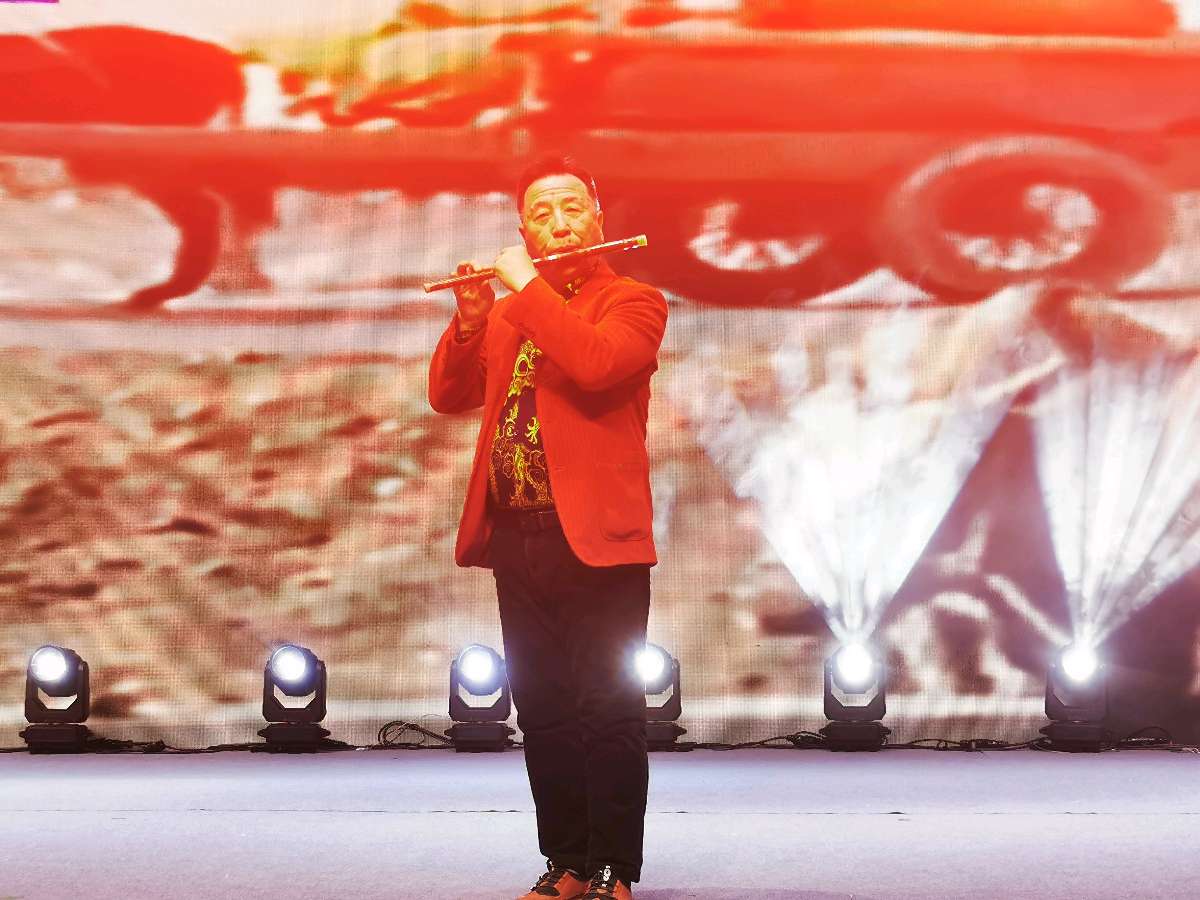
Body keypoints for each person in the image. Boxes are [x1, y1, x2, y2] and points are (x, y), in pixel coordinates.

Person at [427, 155, 668, 900]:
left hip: (596, 541)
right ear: (524, 230)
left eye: (570, 209)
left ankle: (614, 866)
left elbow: (597, 366)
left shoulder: (633, 300)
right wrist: (472, 321)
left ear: (597, 217)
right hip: (518, 537)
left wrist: (525, 288)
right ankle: (566, 860)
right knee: (544, 710)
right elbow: (450, 396)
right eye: (540, 214)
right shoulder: (510, 313)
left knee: (608, 709)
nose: (558, 224)